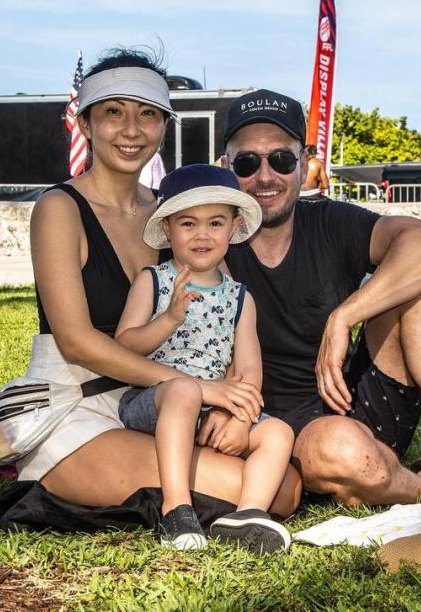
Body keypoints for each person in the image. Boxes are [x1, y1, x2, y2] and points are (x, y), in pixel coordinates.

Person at [220, 89, 421, 506]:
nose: (265, 177)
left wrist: (344, 316)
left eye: (281, 160)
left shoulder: (329, 221)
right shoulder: (210, 237)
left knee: (420, 291)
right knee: (344, 454)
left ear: (304, 164)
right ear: (226, 168)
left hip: (357, 399)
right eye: (248, 162)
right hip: (282, 430)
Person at [22, 49, 301, 534]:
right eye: (113, 112)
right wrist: (200, 388)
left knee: (287, 483)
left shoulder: (174, 212)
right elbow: (76, 342)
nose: (131, 130)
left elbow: (225, 313)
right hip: (82, 401)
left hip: (170, 404)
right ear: (85, 123)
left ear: (163, 127)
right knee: (270, 489)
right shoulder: (59, 208)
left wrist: (234, 406)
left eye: (147, 114)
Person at [115, 164, 294, 552]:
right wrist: (169, 319)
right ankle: (176, 508)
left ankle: (247, 515)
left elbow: (247, 371)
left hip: (214, 408)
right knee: (182, 391)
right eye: (188, 224)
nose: (202, 235)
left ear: (233, 228)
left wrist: (240, 418)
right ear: (167, 229)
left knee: (278, 433)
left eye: (215, 223)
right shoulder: (154, 281)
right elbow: (125, 345)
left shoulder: (240, 298)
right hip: (156, 402)